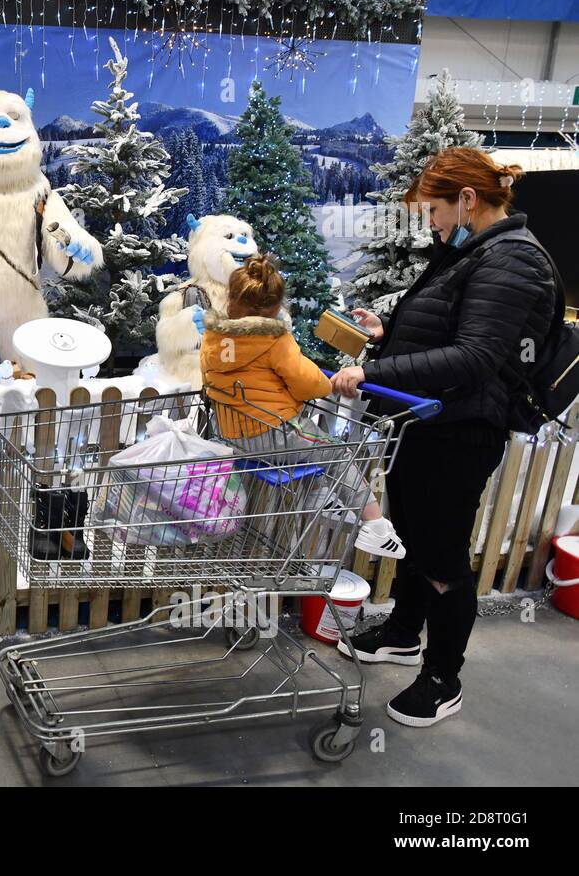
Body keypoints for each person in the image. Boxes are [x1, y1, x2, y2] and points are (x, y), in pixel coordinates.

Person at [330, 148, 554, 728]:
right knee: (414, 535)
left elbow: (476, 356)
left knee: (442, 558)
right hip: (425, 423)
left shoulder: (514, 262)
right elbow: (450, 332)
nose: (428, 222)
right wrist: (390, 333)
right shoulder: (471, 253)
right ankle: (405, 633)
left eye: (432, 210)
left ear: (468, 200)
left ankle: (442, 676)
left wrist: (372, 372)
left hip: (461, 433)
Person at [200, 254, 405, 558]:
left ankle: (319, 496)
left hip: (232, 433)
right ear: (274, 307)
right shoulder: (273, 339)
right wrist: (327, 383)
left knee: (308, 455)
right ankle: (375, 526)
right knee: (336, 452)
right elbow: (306, 382)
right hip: (273, 430)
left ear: (232, 299)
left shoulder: (215, 336)